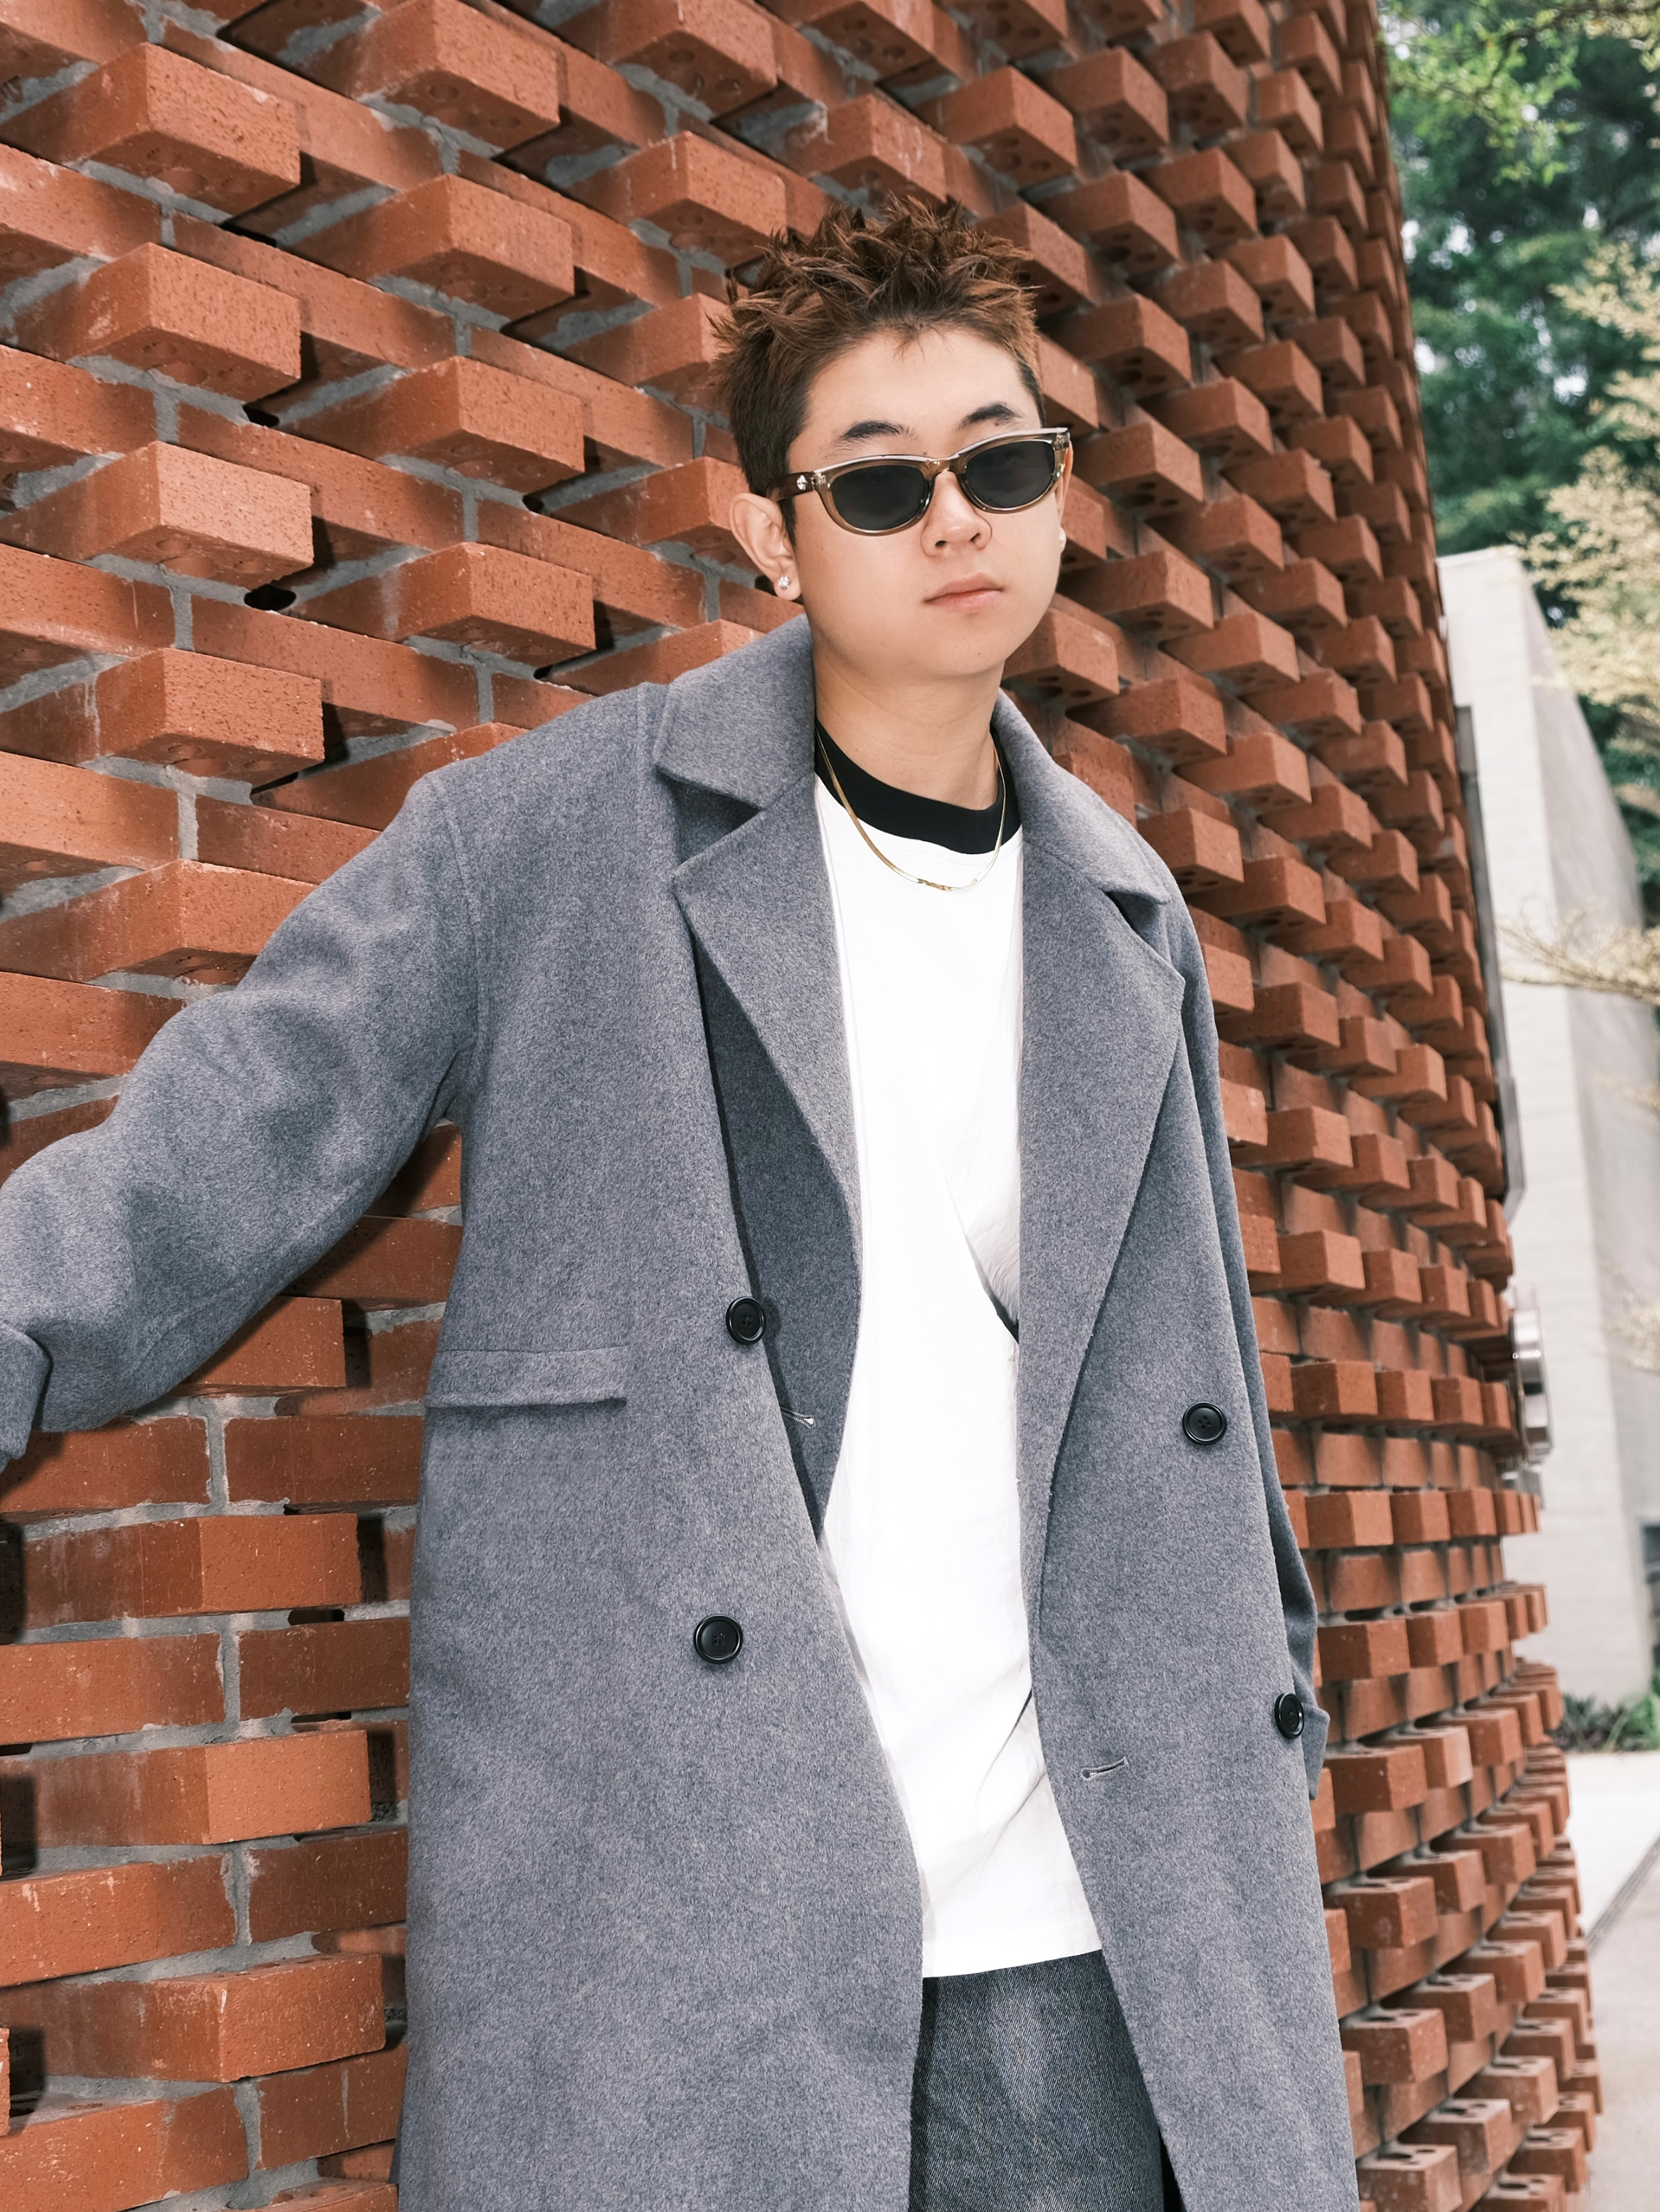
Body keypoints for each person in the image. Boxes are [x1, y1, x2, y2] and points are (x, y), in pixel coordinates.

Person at [0, 199, 1354, 2209]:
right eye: (877, 484)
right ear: (770, 536)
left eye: (999, 465)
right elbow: (224, 1141)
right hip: (689, 1925)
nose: (954, 522)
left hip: (1097, 1942)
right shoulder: (551, 840)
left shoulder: (1118, 913)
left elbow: (1194, 1410)